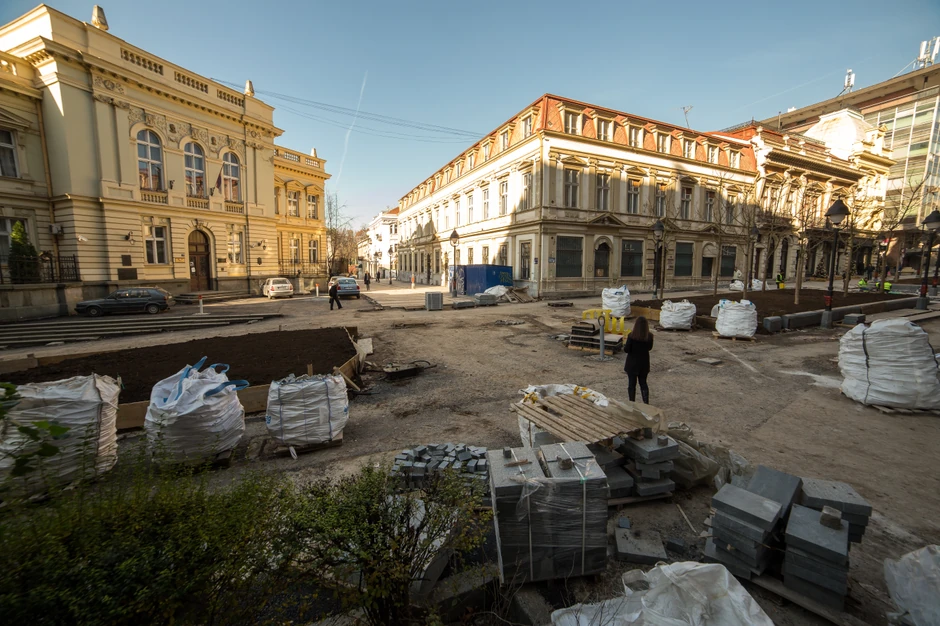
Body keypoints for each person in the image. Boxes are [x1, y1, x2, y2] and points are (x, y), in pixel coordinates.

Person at [624, 316, 654, 405]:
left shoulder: (631, 336)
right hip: (644, 364)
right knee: (643, 384)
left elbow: (626, 349)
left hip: (632, 364)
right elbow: (649, 348)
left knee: (632, 385)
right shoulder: (649, 336)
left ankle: (632, 403)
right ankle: (646, 402)